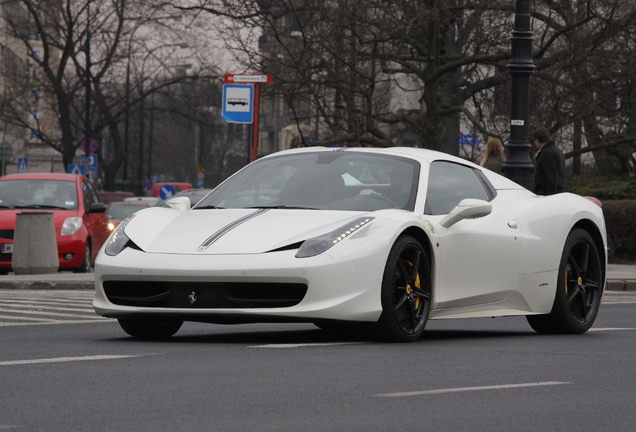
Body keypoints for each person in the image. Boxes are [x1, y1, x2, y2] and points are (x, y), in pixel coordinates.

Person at [532, 127, 566, 195]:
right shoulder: (557, 150)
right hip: (559, 192)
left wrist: (549, 195)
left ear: (537, 140)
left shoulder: (547, 153)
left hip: (546, 193)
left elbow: (551, 176)